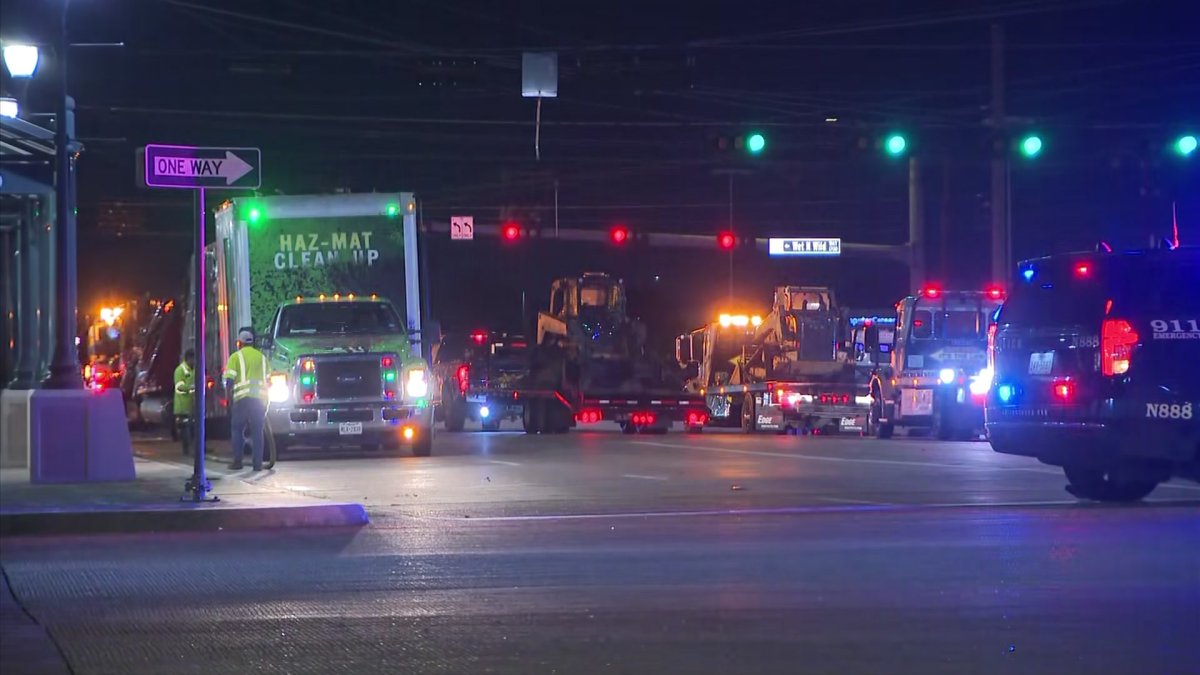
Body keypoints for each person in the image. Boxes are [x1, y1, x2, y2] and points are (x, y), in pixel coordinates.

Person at [223, 328, 268, 471]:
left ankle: (238, 462)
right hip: (259, 400)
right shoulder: (261, 357)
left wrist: (227, 395)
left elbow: (229, 380)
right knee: (257, 431)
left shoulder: (235, 357)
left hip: (242, 399)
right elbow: (268, 379)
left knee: (237, 429)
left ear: (239, 343)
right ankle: (257, 464)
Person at [173, 349, 196, 455]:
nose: (194, 362)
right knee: (186, 429)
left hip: (191, 405)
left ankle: (198, 449)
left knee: (194, 428)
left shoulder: (193, 369)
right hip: (182, 406)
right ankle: (187, 451)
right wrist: (192, 388)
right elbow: (179, 387)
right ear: (188, 359)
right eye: (193, 359)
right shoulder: (180, 371)